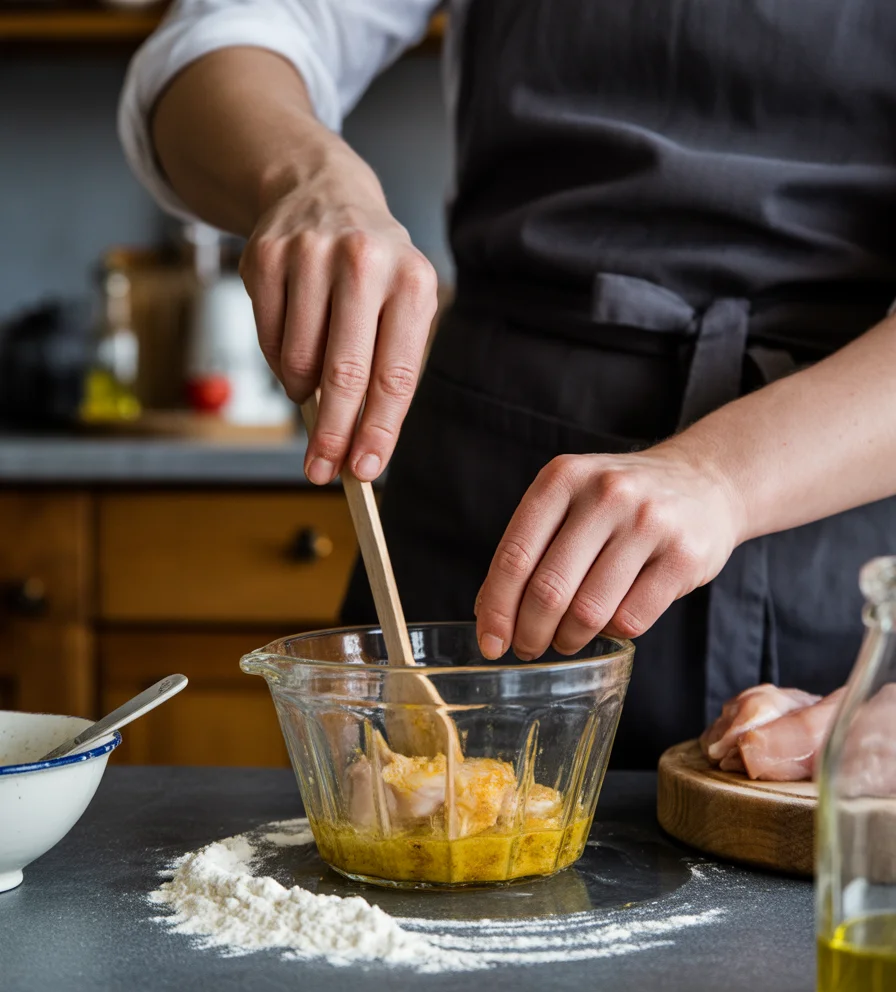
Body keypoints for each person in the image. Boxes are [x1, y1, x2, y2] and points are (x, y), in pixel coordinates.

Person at [120, 1, 896, 767]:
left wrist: (720, 475)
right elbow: (224, 40)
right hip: (486, 488)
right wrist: (305, 177)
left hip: (843, 508)